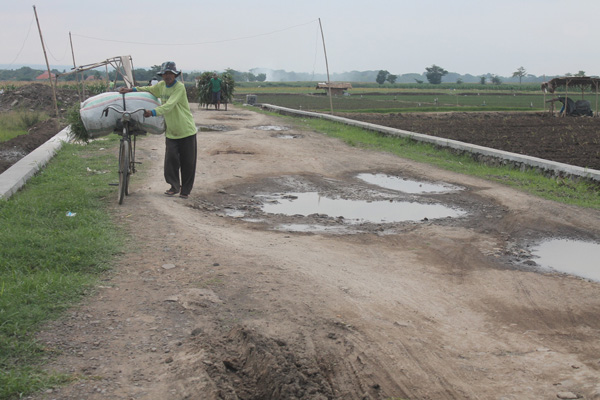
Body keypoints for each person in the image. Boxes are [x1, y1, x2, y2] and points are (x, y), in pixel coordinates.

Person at [119, 61, 197, 199]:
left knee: (188, 162)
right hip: (171, 131)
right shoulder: (161, 86)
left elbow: (169, 105)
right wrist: (130, 90)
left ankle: (185, 190)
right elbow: (148, 89)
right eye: (165, 74)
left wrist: (153, 112)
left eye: (170, 74)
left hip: (186, 130)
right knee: (170, 161)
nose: (168, 76)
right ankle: (174, 186)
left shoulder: (180, 88)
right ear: (162, 75)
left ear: (175, 75)